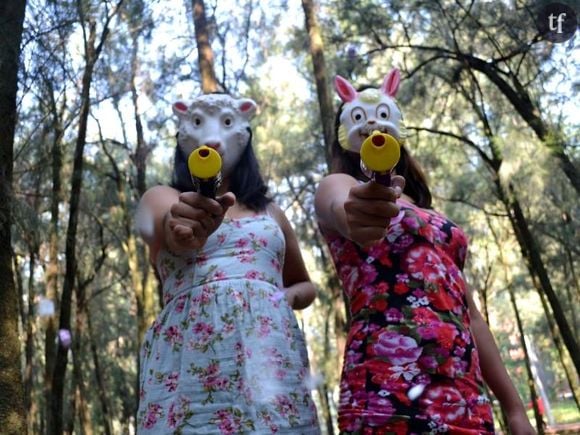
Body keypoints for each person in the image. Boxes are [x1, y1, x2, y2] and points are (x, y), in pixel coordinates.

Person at [314, 69, 535, 434]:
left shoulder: (424, 207)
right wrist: (357, 211)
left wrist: (514, 410)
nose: (373, 127)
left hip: (462, 386)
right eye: (360, 120)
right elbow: (342, 207)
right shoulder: (338, 184)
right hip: (386, 384)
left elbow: (473, 317)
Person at [136, 93, 320, 434]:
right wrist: (184, 231)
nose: (212, 138)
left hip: (272, 357)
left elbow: (304, 284)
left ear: (244, 134)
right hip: (191, 365)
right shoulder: (161, 197)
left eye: (224, 123)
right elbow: (170, 230)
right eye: (198, 124)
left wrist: (285, 299)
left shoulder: (271, 213)